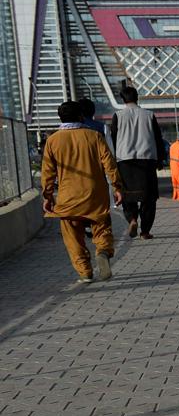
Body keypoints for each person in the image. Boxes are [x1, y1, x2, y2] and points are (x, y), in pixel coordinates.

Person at [41, 101, 125, 283]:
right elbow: (109, 164)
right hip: (95, 195)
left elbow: (48, 173)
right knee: (102, 227)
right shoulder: (94, 136)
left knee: (72, 236)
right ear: (81, 116)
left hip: (67, 197)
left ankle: (85, 271)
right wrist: (117, 187)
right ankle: (103, 251)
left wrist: (47, 197)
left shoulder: (52, 141)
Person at [106, 84, 167, 239]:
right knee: (149, 197)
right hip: (147, 160)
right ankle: (145, 231)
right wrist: (160, 159)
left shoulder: (118, 116)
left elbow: (112, 140)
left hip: (124, 161)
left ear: (123, 99)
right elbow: (158, 139)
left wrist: (112, 161)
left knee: (127, 195)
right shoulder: (149, 115)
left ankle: (132, 219)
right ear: (137, 97)